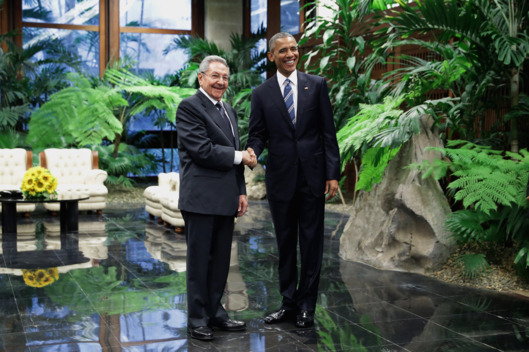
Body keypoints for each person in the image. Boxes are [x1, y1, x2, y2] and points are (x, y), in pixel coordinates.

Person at [246, 32, 341, 328]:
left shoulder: (316, 85)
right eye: (283, 50)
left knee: (311, 243)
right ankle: (288, 303)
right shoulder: (261, 94)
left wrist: (332, 173)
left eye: (294, 49)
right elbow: (258, 133)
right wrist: (252, 151)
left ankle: (306, 306)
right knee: (285, 243)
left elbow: (328, 132)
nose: (290, 54)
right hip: (281, 179)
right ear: (271, 56)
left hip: (312, 178)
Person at [176, 55, 256, 341]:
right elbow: (202, 150)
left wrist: (242, 191)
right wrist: (241, 157)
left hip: (226, 199)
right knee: (199, 262)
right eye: (215, 76)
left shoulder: (229, 110)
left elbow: (235, 157)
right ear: (201, 78)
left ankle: (216, 313)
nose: (221, 82)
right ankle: (197, 319)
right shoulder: (189, 107)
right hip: (200, 199)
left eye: (225, 78)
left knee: (222, 261)